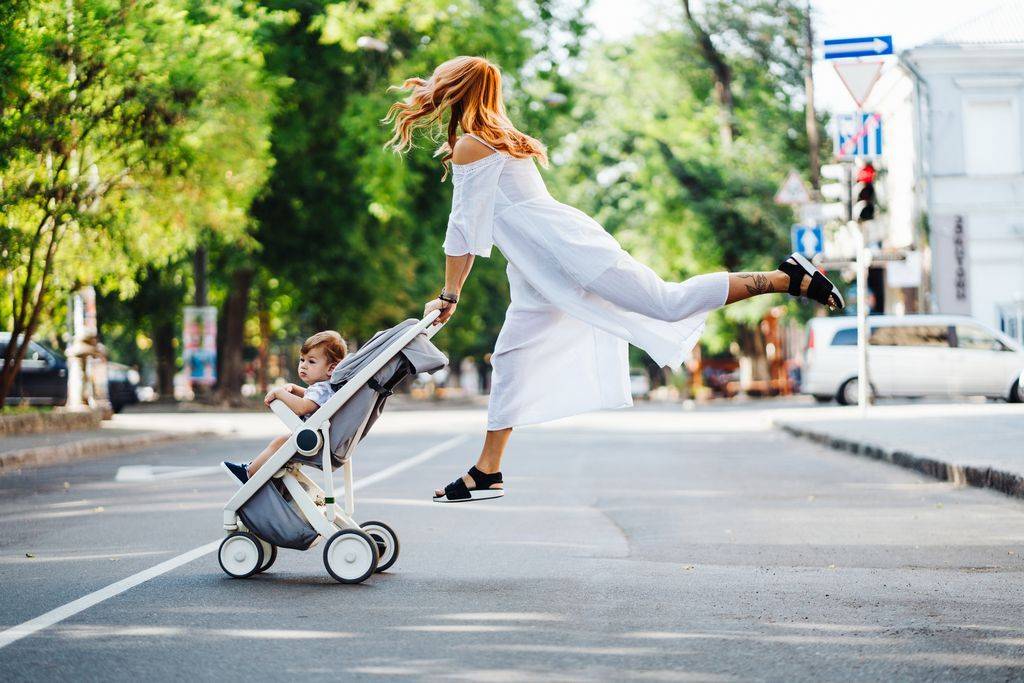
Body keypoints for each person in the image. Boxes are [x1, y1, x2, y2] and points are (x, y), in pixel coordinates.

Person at [382, 56, 844, 504]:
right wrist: (453, 292)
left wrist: (449, 294)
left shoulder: (473, 146)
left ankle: (786, 277)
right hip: (540, 272)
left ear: (458, 89)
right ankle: (488, 470)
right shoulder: (491, 140)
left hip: (569, 254)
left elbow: (463, 229)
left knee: (667, 303)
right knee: (509, 359)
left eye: (441, 82)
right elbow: (471, 229)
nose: (433, 90)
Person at [222, 331, 348, 483]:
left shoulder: (321, 388)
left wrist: (279, 393)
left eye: (311, 361)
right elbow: (314, 400)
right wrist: (295, 388)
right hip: (320, 438)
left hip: (314, 442)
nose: (304, 365)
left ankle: (248, 473)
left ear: (331, 369)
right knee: (282, 443)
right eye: (302, 360)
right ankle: (257, 471)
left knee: (280, 442)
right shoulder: (326, 388)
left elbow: (303, 407)